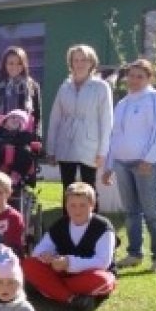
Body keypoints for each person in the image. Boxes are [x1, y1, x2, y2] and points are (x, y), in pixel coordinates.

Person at [102, 58, 156, 273]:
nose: (134, 80)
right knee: (131, 212)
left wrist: (149, 159)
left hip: (146, 164)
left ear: (150, 78)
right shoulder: (123, 103)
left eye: (140, 76)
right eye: (131, 76)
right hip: (122, 163)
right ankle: (134, 253)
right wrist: (109, 165)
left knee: (152, 212)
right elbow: (116, 136)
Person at [22, 182, 116, 311]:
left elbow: (103, 262)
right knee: (29, 264)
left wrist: (69, 262)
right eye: (72, 205)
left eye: (83, 205)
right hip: (62, 273)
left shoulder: (103, 227)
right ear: (66, 206)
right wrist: (48, 257)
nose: (77, 210)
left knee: (103, 279)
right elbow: (39, 251)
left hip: (88, 274)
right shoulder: (60, 224)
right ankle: (71, 299)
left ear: (92, 205)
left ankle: (50, 289)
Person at [46, 44, 113, 208]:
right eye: (76, 60)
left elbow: (107, 120)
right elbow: (55, 118)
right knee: (68, 188)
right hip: (66, 142)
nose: (80, 63)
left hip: (90, 144)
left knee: (89, 187)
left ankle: (92, 228)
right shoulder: (64, 87)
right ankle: (68, 227)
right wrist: (51, 149)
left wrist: (103, 151)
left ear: (92, 63)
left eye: (84, 59)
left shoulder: (101, 87)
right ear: (71, 63)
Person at [0, 46, 43, 140]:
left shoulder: (33, 86)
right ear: (4, 65)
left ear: (24, 65)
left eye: (19, 63)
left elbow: (37, 117)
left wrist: (36, 137)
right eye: (11, 63)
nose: (15, 67)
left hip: (25, 139)